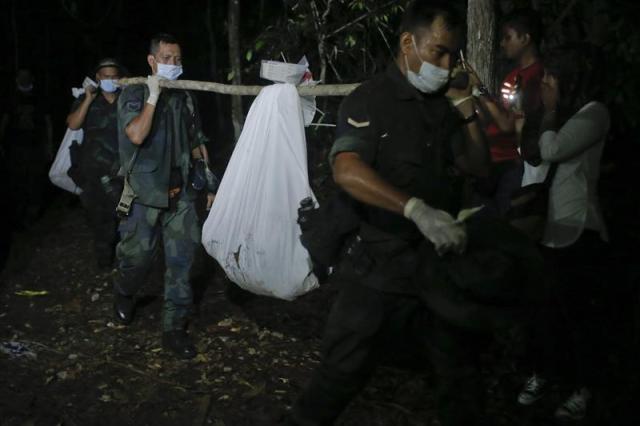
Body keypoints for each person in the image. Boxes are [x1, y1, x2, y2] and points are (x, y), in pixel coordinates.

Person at [288, 2, 491, 425]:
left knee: (461, 377)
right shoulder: (372, 99)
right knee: (338, 375)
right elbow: (346, 169)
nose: (447, 63)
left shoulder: (440, 106)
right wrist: (415, 209)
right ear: (407, 43)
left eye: (453, 55)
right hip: (380, 268)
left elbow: (478, 166)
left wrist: (467, 102)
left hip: (438, 267)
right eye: (438, 52)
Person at [513, 46, 610, 421]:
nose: (546, 84)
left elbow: (551, 149)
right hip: (553, 227)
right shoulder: (572, 114)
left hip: (579, 228)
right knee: (546, 313)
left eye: (552, 78)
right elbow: (535, 151)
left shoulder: (595, 113)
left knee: (576, 318)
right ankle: (545, 375)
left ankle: (583, 389)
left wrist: (550, 110)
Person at [113, 33, 215, 359]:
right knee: (137, 259)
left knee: (181, 264)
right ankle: (124, 292)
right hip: (143, 196)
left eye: (177, 59)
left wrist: (210, 183)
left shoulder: (184, 97)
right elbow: (137, 134)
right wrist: (153, 96)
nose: (173, 65)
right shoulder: (133, 93)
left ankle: (174, 328)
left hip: (181, 196)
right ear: (152, 60)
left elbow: (198, 141)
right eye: (167, 58)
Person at [469, 9, 544, 216]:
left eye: (508, 37)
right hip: (492, 158)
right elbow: (498, 115)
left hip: (510, 161)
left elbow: (507, 124)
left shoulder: (538, 77)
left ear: (526, 38)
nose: (502, 44)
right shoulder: (513, 75)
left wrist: (479, 89)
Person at [66, 58, 125, 269]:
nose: (110, 80)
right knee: (99, 220)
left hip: (122, 171)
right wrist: (88, 99)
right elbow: (73, 124)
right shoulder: (87, 99)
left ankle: (125, 261)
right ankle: (104, 263)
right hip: (93, 173)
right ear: (98, 78)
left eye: (114, 76)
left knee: (123, 216)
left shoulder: (127, 99)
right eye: (105, 76)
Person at [0, 68, 53, 228]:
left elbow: (48, 122)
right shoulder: (11, 98)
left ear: (31, 78)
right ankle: (19, 215)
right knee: (17, 180)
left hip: (36, 146)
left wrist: (49, 146)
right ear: (16, 79)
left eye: (26, 75)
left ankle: (33, 214)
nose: (23, 78)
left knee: (35, 180)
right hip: (16, 147)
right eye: (20, 75)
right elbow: (4, 120)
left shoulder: (40, 97)